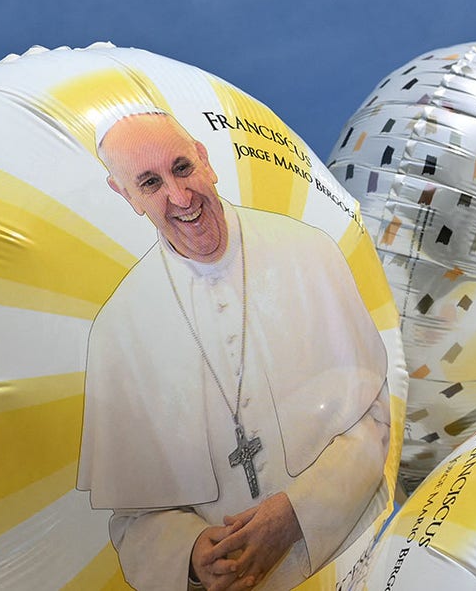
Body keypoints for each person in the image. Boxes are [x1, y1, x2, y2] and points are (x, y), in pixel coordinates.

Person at [76, 108, 389, 591]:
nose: (180, 196)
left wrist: (296, 514)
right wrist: (193, 554)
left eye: (182, 168)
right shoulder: (118, 330)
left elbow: (374, 422)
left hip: (355, 562)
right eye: (150, 183)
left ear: (205, 160)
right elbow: (134, 516)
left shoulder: (308, 254)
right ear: (127, 196)